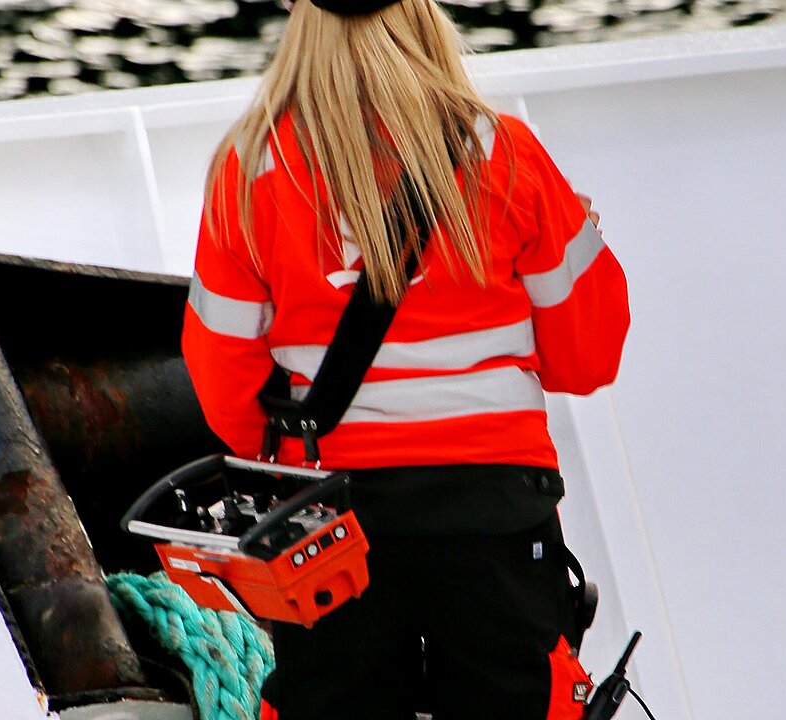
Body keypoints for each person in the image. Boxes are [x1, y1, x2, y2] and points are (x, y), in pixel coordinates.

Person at [181, 0, 631, 717]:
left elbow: (222, 380)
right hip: (498, 514)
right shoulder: (505, 152)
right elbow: (588, 359)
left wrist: (296, 471)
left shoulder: (249, 167)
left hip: (330, 530)